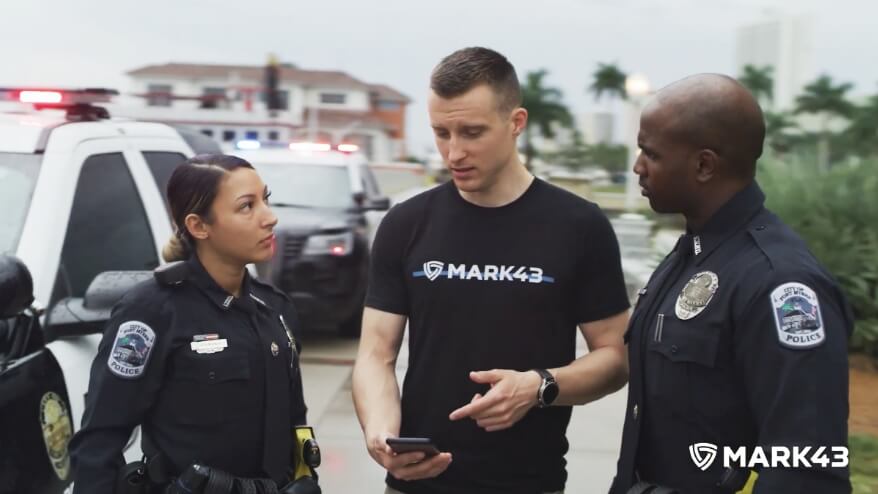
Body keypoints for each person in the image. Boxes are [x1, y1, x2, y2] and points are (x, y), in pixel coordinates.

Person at [352, 46, 631, 494]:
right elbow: (375, 354)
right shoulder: (406, 224)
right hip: (417, 483)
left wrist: (539, 386)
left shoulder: (579, 226)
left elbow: (616, 358)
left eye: (472, 132)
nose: (453, 152)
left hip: (527, 482)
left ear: (515, 122)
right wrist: (380, 433)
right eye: (441, 133)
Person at [610, 74, 853, 494]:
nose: (638, 167)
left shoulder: (780, 283)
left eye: (651, 153)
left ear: (704, 165)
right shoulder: (695, 253)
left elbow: (805, 469)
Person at [69, 154, 313, 493]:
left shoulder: (275, 308)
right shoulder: (151, 312)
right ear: (199, 226)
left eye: (265, 200)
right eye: (247, 207)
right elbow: (100, 437)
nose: (269, 217)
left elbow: (297, 428)